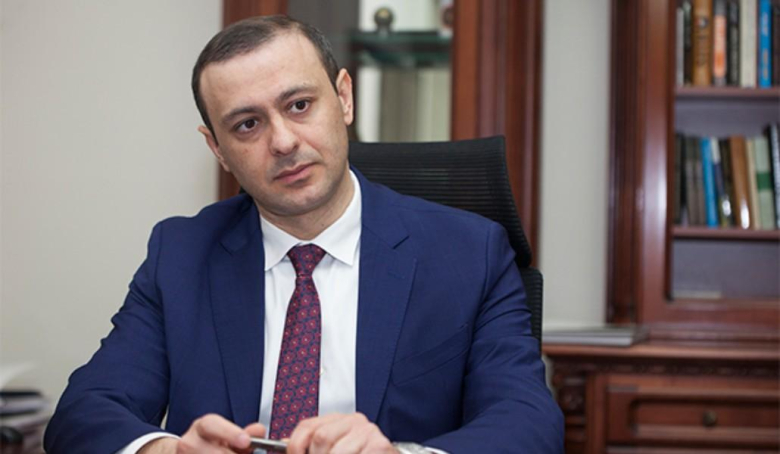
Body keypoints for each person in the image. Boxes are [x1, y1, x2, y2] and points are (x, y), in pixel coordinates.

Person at [44, 15, 563, 454]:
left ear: (344, 98)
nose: (283, 141)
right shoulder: (180, 255)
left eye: (299, 105)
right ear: (218, 149)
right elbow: (83, 412)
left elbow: (528, 423)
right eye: (247, 125)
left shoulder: (469, 254)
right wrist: (167, 451)